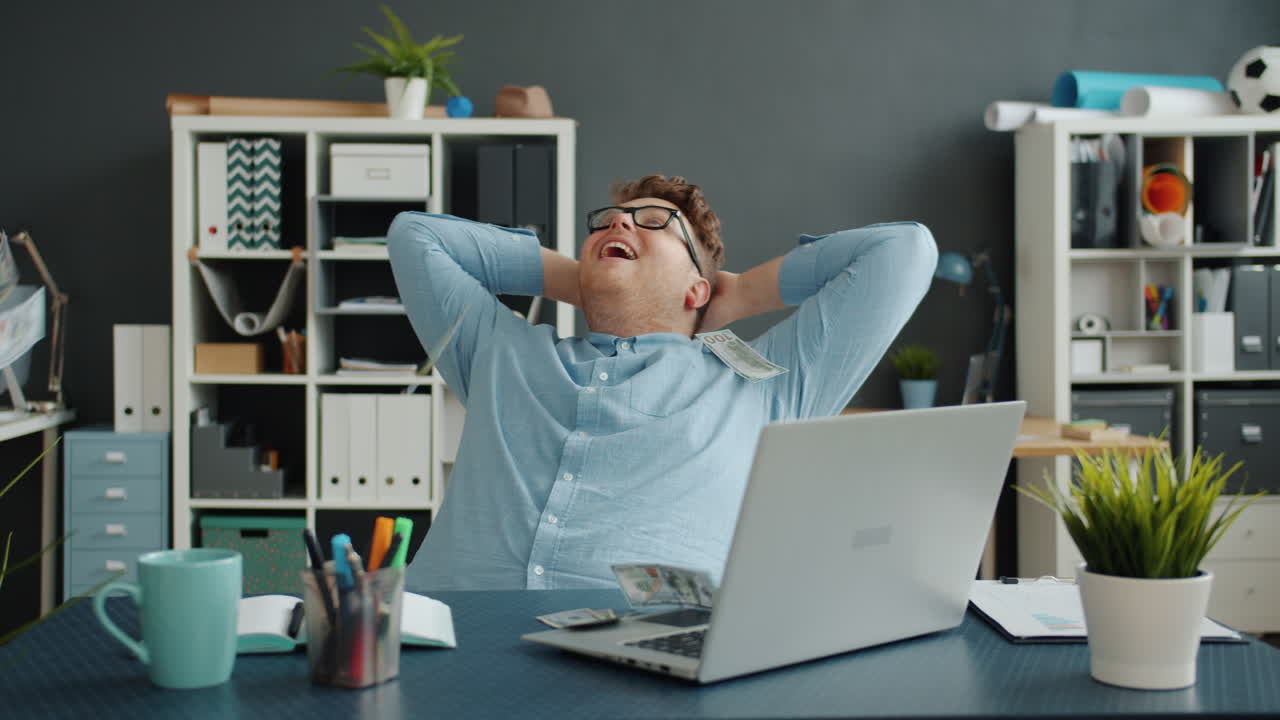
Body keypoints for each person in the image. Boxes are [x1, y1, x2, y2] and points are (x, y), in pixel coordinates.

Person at [387, 174, 937, 590]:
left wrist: (740, 292)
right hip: (447, 647)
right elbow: (415, 237)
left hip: (641, 666)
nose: (618, 224)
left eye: (654, 223)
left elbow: (903, 252)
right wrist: (585, 281)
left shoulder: (757, 386)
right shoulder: (500, 350)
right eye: (606, 223)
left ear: (698, 288)